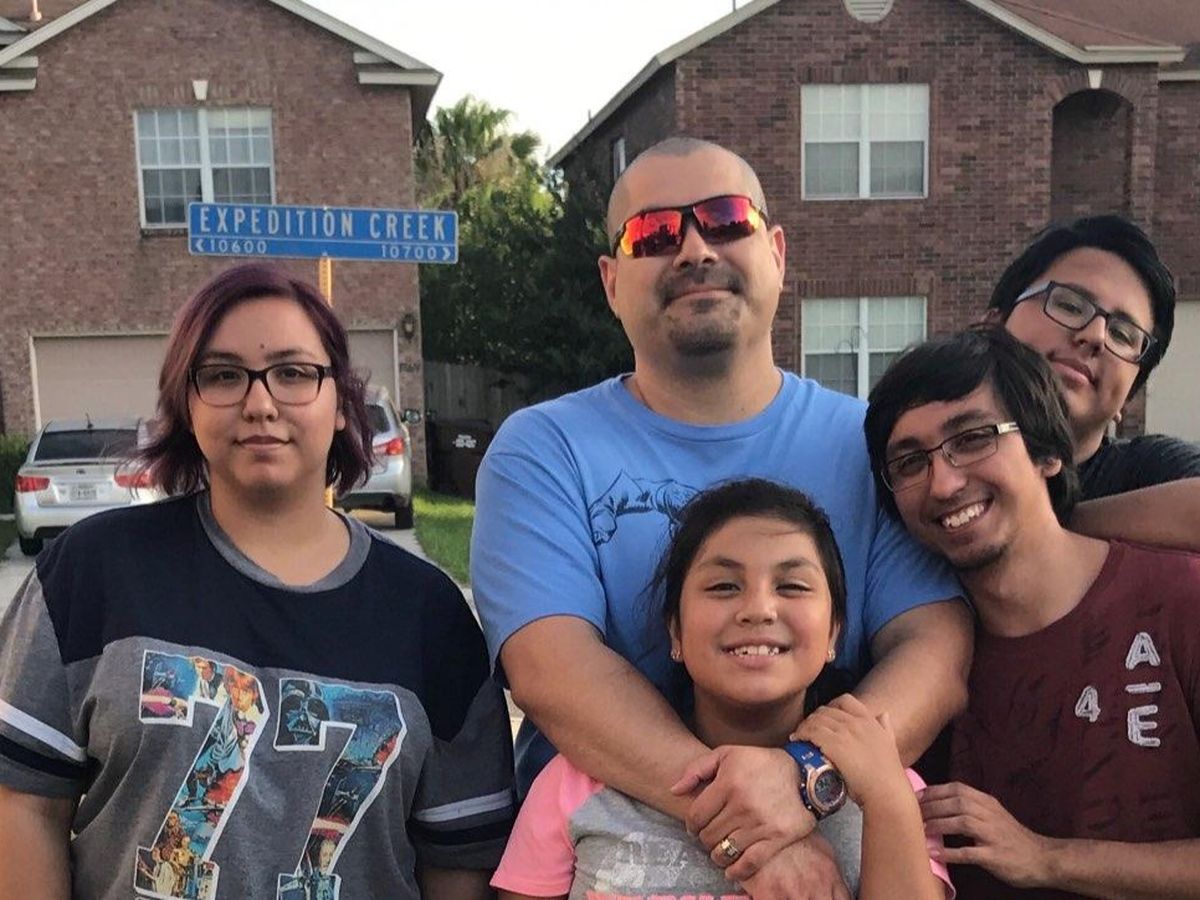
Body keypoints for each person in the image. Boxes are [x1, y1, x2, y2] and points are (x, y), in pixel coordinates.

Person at [471, 136, 970, 896]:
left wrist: (807, 780)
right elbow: (551, 669)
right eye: (653, 234)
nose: (696, 249)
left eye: (727, 220)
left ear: (776, 252)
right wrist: (751, 828)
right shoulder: (543, 450)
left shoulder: (871, 444)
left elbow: (935, 647)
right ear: (611, 280)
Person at [0, 263, 514, 900]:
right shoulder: (92, 571)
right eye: (223, 375)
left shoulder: (429, 615)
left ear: (340, 402)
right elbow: (24, 806)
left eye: (293, 373)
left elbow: (459, 866)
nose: (260, 403)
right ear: (187, 404)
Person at [491, 479, 956, 900]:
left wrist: (888, 800)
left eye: (792, 586)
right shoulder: (578, 783)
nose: (759, 609)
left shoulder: (881, 784)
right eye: (724, 586)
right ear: (675, 632)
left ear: (834, 632)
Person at [864, 327, 1200, 899]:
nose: (943, 483)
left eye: (973, 438)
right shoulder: (919, 669)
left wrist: (1047, 858)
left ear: (1047, 452)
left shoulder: (1179, 600)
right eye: (910, 462)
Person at [987, 215, 1200, 547]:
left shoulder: (1151, 473)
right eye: (1070, 305)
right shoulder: (921, 438)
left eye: (1123, 335)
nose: (1096, 335)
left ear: (1129, 397)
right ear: (994, 324)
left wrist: (1046, 525)